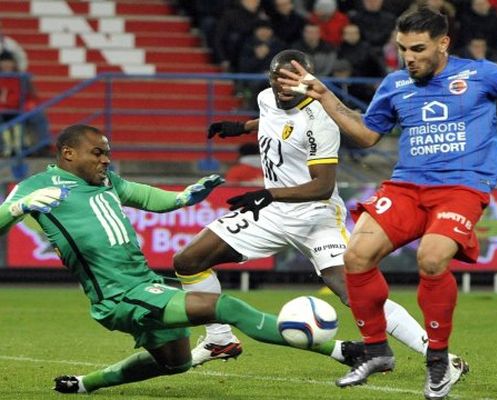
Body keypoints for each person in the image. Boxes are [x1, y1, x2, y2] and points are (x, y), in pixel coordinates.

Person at [277, 6, 497, 399]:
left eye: (417, 49)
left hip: (462, 187)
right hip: (407, 187)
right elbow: (365, 135)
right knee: (356, 256)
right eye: (402, 49)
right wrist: (325, 95)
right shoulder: (395, 84)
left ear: (443, 44)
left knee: (431, 258)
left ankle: (438, 361)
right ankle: (377, 350)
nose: (408, 58)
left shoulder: (483, 74)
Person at [172, 49, 469, 384]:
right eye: (278, 78)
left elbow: (323, 187)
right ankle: (219, 340)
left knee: (355, 292)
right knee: (188, 260)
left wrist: (267, 193)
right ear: (270, 79)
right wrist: (240, 127)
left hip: (316, 215)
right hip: (272, 212)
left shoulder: (320, 121)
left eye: (293, 79)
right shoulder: (266, 98)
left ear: (307, 80)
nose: (284, 86)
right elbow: (273, 120)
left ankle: (441, 356)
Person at [0, 124, 365, 394]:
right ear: (67, 154)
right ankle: (341, 350)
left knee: (176, 364)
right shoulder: (34, 188)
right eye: (98, 152)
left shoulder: (107, 181)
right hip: (119, 296)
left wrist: (185, 197)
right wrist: (17, 207)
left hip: (143, 286)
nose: (106, 159)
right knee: (230, 308)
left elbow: (147, 197)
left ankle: (83, 385)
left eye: (108, 152)